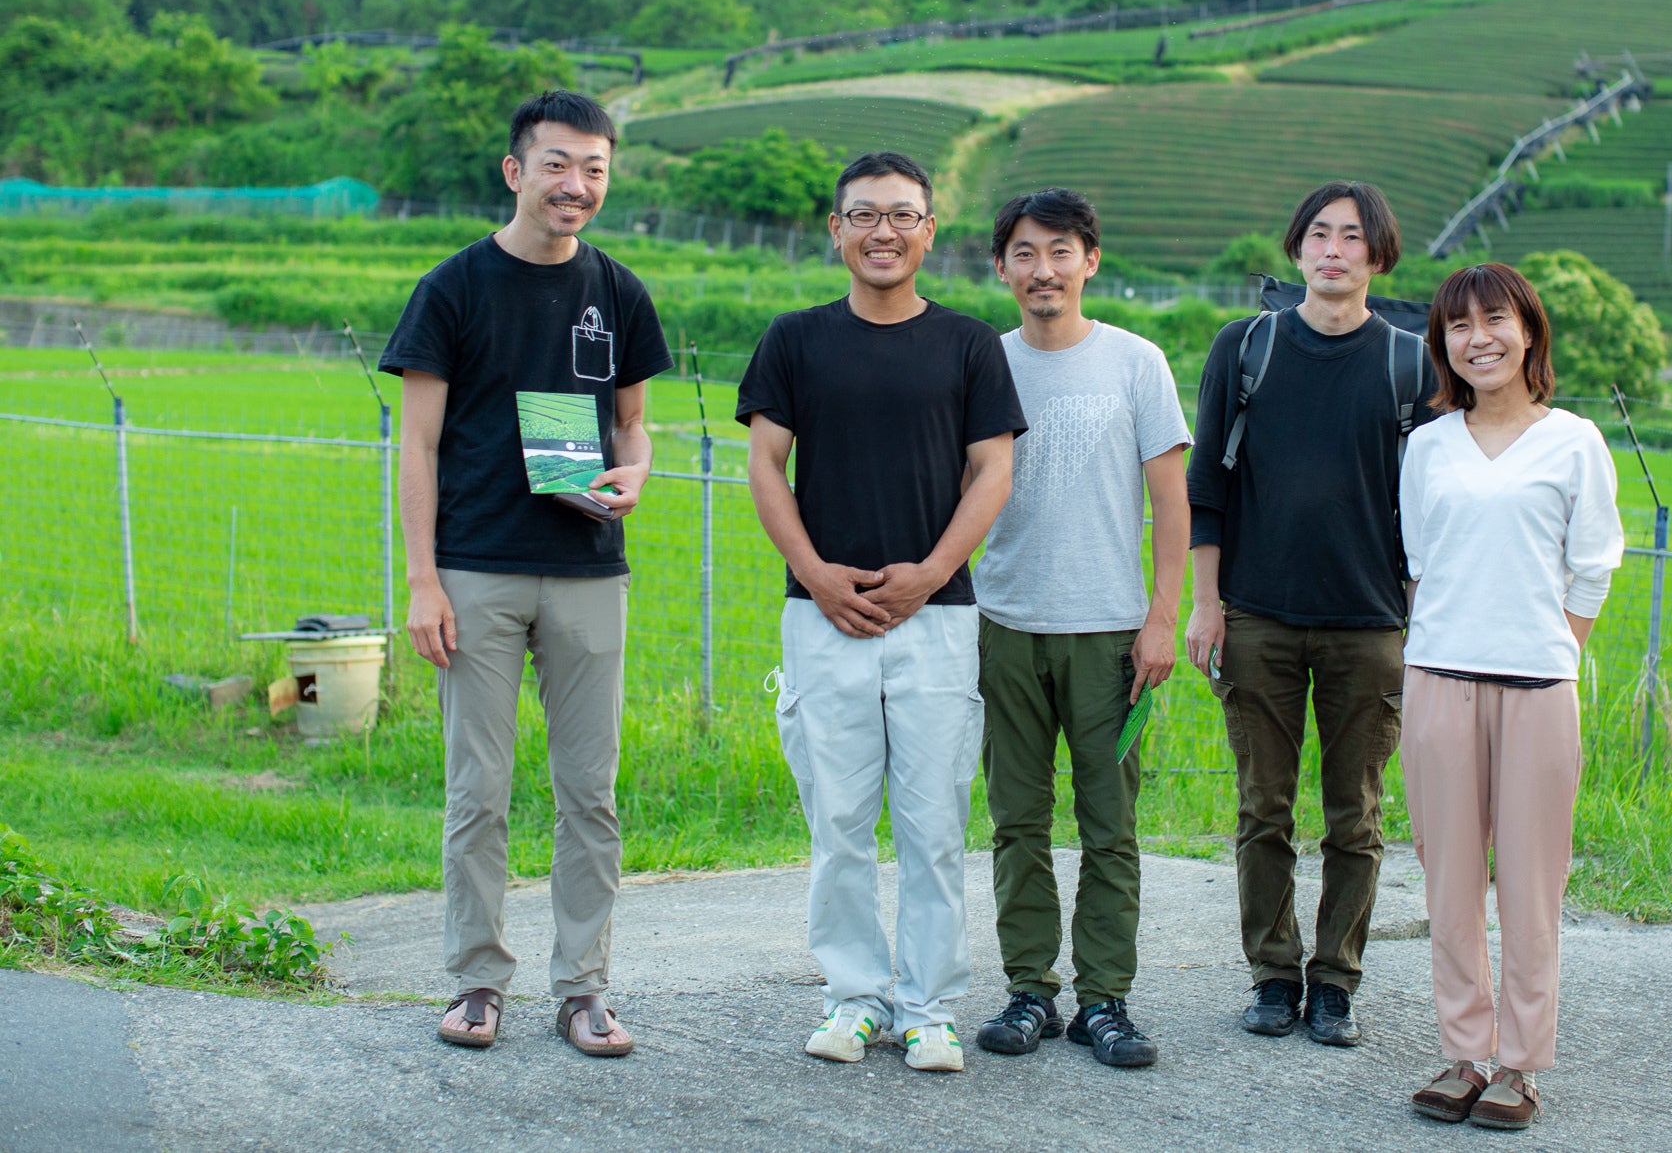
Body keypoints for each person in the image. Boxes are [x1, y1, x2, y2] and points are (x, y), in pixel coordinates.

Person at [381, 89, 672, 1058]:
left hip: (587, 568)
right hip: (476, 570)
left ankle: (584, 987)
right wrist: (422, 581)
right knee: (479, 789)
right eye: (556, 163)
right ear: (515, 171)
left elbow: (631, 423)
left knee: (590, 792)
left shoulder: (618, 292)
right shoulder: (453, 288)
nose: (575, 183)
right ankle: (477, 979)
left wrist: (635, 472)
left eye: (593, 168)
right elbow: (417, 446)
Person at [737, 150, 1026, 1074]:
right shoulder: (795, 340)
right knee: (840, 827)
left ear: (929, 231)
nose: (883, 232)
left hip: (938, 619)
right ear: (837, 230)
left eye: (902, 215)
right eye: (863, 215)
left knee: (935, 827)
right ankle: (854, 997)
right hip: (822, 616)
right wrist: (816, 573)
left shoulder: (969, 345)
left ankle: (930, 1008)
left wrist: (933, 572)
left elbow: (993, 469)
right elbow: (765, 465)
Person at [1184, 181, 1438, 1046]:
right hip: (1257, 615)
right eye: (1319, 234)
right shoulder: (1246, 347)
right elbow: (1207, 488)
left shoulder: (1411, 364)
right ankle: (1271, 973)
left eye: (1353, 236)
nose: (1334, 250)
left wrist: (1419, 627)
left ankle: (1335, 980)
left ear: (1379, 255)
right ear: (1297, 250)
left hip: (1370, 625)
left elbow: (1431, 508)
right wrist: (1206, 605)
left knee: (1354, 816)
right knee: (1263, 809)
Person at [1398, 262, 1623, 1131]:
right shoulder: (1429, 445)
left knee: (1531, 885)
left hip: (1538, 689)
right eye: (1458, 325)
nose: (1478, 338)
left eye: (1494, 319)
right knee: (1449, 881)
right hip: (1439, 680)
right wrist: (1450, 645)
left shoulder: (1574, 440)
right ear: (1443, 346)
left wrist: (1550, 649)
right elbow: (1421, 564)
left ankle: (1521, 1064)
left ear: (1528, 331)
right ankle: (1464, 1052)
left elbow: (1593, 566)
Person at [971, 188, 1191, 1068]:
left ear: (1090, 260)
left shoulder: (1137, 362)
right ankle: (1030, 987)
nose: (1044, 270)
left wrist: (1163, 617)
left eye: (1061, 251)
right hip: (1005, 624)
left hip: (1111, 634)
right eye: (1025, 253)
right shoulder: (982, 362)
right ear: (1001, 266)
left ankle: (1105, 998)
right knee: (1017, 821)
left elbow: (1172, 500)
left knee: (1110, 825)